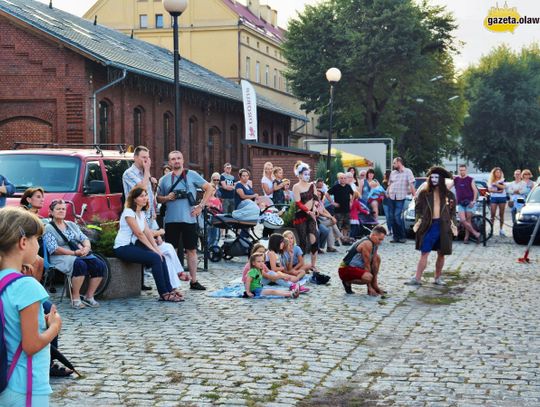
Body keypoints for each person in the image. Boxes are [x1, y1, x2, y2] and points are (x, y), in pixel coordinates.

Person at [0, 207, 62, 406]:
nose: (38, 246)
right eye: (37, 240)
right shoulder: (27, 286)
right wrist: (54, 327)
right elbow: (31, 345)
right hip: (26, 384)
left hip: (5, 380)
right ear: (23, 242)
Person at [114, 186, 182, 302]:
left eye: (146, 195)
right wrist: (155, 251)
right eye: (141, 196)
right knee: (155, 258)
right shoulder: (128, 212)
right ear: (134, 199)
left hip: (134, 246)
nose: (145, 198)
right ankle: (164, 294)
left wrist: (157, 249)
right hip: (123, 247)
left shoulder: (141, 213)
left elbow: (148, 234)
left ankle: (170, 290)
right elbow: (139, 234)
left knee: (162, 257)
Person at [157, 151, 212, 291]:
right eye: (173, 159)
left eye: (179, 158)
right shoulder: (164, 179)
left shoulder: (192, 175)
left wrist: (201, 206)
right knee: (171, 250)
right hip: (171, 220)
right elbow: (157, 198)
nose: (176, 161)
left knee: (192, 250)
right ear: (169, 162)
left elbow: (209, 188)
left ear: (183, 160)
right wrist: (167, 198)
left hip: (189, 219)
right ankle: (171, 281)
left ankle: (194, 281)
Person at [44, 200, 105, 309]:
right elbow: (54, 249)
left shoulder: (71, 224)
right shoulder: (48, 228)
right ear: (51, 211)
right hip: (59, 257)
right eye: (58, 209)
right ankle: (75, 299)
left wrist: (86, 248)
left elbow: (84, 238)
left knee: (98, 264)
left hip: (77, 253)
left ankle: (89, 297)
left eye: (63, 209)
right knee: (80, 264)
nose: (61, 211)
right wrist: (74, 253)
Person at [406, 167, 457, 286]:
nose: (433, 180)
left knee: (441, 253)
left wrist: (453, 224)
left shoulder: (449, 195)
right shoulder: (424, 193)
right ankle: (417, 278)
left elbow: (453, 212)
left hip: (443, 226)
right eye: (431, 177)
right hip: (429, 226)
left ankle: (437, 278)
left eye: (436, 177)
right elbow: (418, 209)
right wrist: (419, 221)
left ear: (441, 180)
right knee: (424, 252)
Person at [338, 225, 387, 295]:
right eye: (379, 239)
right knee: (368, 277)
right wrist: (369, 288)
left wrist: (374, 285)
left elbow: (373, 262)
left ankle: (375, 286)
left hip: (356, 267)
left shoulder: (374, 243)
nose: (380, 242)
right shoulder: (367, 244)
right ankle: (347, 281)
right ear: (373, 235)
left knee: (377, 258)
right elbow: (367, 265)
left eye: (382, 240)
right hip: (345, 269)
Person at [292, 161, 320, 271]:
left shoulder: (312, 185)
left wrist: (315, 207)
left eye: (308, 174)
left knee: (314, 239)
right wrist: (308, 211)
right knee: (303, 242)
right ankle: (301, 265)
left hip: (311, 215)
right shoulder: (296, 186)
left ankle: (313, 265)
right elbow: (298, 202)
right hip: (301, 216)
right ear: (299, 175)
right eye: (305, 174)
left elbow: (316, 198)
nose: (307, 176)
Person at [122, 146, 157, 226]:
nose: (146, 160)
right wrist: (147, 170)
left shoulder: (145, 173)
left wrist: (153, 211)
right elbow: (142, 188)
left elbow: (149, 193)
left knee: (155, 237)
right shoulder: (128, 173)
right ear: (135, 157)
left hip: (149, 216)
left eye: (148, 157)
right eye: (144, 157)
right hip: (136, 215)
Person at [386, 157, 415, 243]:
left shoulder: (408, 171)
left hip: (400, 197)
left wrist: (414, 195)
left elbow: (411, 184)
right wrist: (387, 192)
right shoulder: (393, 173)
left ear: (399, 162)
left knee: (397, 217)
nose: (393, 164)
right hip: (391, 197)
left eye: (394, 163)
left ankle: (402, 236)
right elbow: (390, 184)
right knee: (391, 217)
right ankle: (396, 237)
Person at [454, 164, 481, 242]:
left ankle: (466, 237)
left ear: (466, 170)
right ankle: (476, 234)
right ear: (459, 170)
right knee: (463, 220)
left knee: (468, 221)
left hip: (469, 203)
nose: (462, 171)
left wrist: (473, 201)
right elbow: (448, 187)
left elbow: (475, 191)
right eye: (460, 170)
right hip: (460, 203)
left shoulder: (470, 179)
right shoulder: (456, 179)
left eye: (463, 170)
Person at [328, 172, 355, 244]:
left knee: (346, 225)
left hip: (347, 209)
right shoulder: (336, 187)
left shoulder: (348, 186)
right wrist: (332, 202)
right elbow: (327, 194)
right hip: (338, 210)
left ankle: (345, 240)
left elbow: (354, 193)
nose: (343, 179)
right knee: (337, 226)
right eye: (341, 178)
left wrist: (351, 202)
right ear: (339, 179)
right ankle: (336, 240)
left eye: (344, 178)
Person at [488, 167, 507, 236]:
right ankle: (491, 229)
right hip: (494, 198)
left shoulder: (503, 179)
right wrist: (497, 190)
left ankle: (501, 229)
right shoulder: (490, 180)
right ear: (494, 173)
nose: (498, 173)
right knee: (492, 214)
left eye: (499, 172)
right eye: (497, 172)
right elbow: (489, 189)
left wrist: (496, 184)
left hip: (502, 198)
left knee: (501, 214)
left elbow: (503, 188)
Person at [381, 170, 392, 235]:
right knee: (387, 216)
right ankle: (389, 229)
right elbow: (382, 192)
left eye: (385, 174)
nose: (384, 175)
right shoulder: (383, 183)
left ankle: (392, 229)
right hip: (385, 202)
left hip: (392, 201)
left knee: (391, 216)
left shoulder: (392, 182)